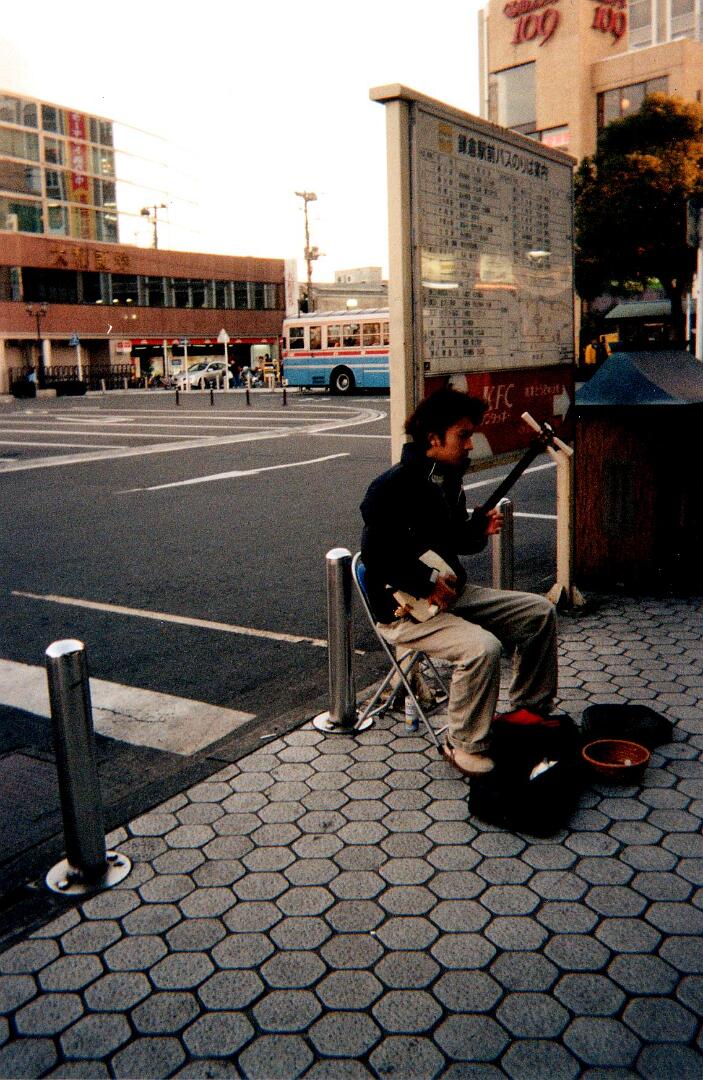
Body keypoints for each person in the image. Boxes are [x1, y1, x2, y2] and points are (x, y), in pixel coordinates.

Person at [360, 388, 558, 777]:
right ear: (433, 438)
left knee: (539, 613)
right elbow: (376, 555)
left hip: (449, 595)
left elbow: (454, 542)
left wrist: (477, 531)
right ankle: (463, 743)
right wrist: (425, 583)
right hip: (405, 610)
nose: (470, 444)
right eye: (462, 435)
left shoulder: (447, 480)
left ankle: (528, 712)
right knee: (481, 648)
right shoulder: (391, 487)